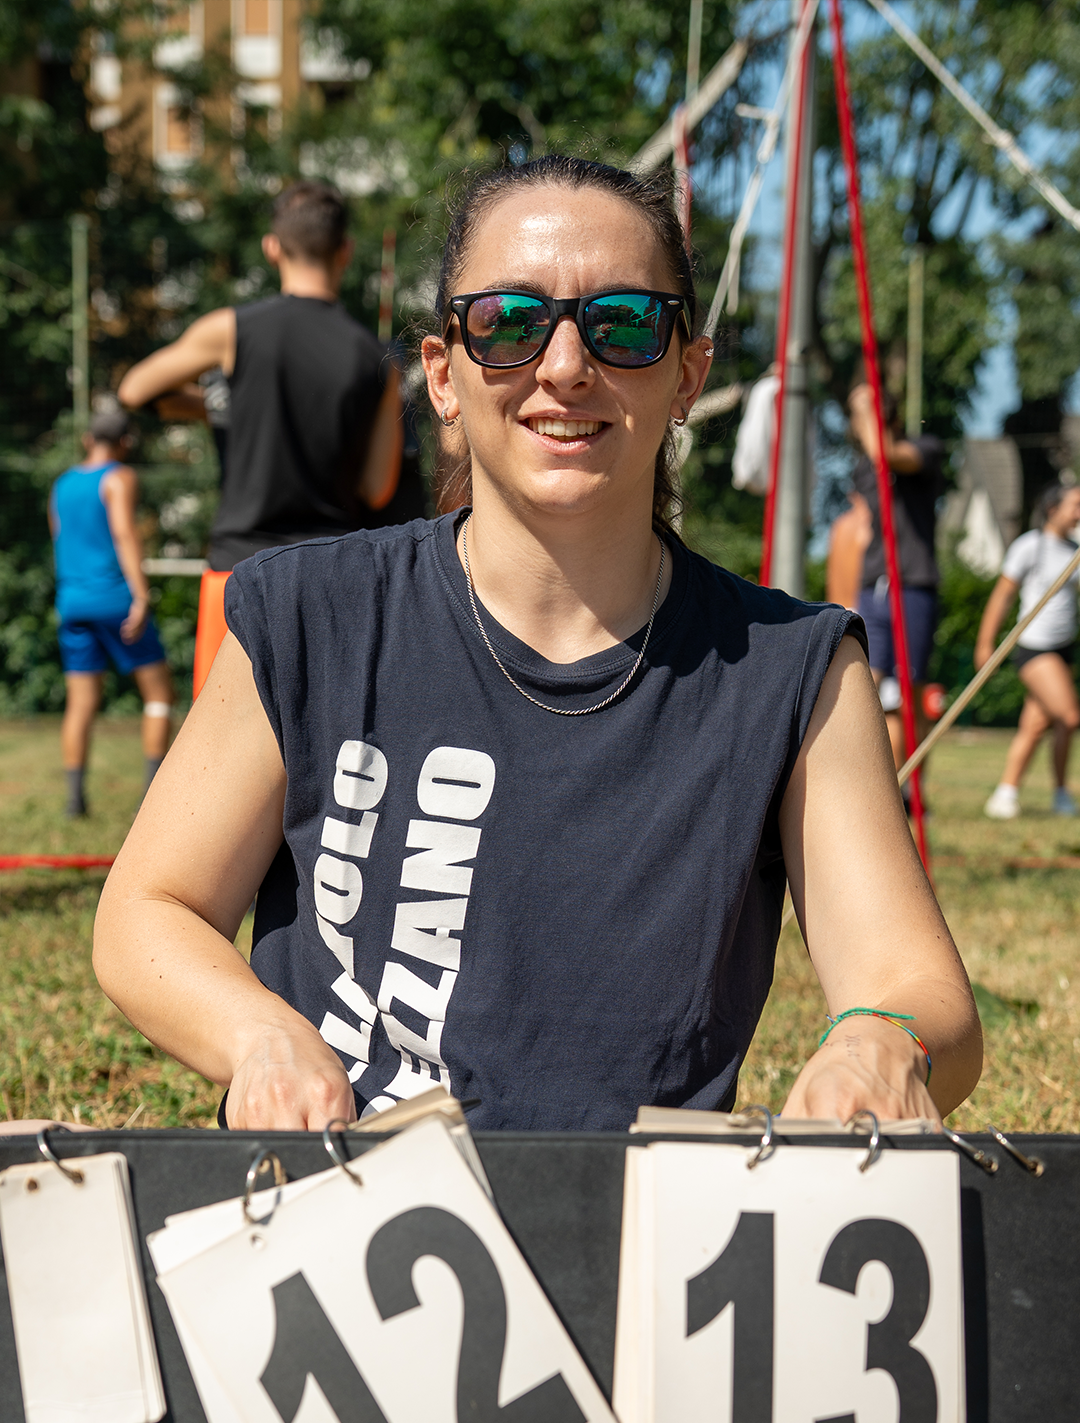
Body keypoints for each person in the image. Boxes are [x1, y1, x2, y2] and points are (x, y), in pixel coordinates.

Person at [94, 157, 981, 1133]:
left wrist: (880, 1043)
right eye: (509, 321)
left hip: (643, 1220)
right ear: (443, 375)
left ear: (687, 375)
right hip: (341, 1203)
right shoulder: (308, 616)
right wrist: (262, 1035)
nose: (564, 366)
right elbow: (149, 909)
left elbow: (915, 987)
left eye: (625, 323)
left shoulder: (796, 670)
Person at [117, 180, 404, 695]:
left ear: (272, 247)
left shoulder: (233, 330)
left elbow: (135, 389)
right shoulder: (377, 359)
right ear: (345, 250)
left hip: (237, 573)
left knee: (220, 739)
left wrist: (221, 410)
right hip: (332, 575)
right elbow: (377, 488)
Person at [49, 406, 173, 817]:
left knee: (81, 702)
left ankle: (74, 801)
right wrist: (141, 595)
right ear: (124, 443)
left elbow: (58, 536)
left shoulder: (62, 484)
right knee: (159, 694)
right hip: (114, 599)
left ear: (87, 439)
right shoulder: (119, 477)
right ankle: (150, 798)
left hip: (72, 601)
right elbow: (123, 533)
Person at [849, 380, 944, 774]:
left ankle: (911, 783)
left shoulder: (924, 449)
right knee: (865, 687)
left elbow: (886, 454)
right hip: (874, 587)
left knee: (909, 691)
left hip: (913, 586)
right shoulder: (863, 470)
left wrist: (865, 408)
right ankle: (869, 781)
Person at [979, 482, 1080, 820]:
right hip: (1035, 647)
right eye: (1075, 505)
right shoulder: (1031, 546)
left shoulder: (1075, 550)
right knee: (1069, 716)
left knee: (1035, 724)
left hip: (1063, 647)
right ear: (1053, 509)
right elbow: (1002, 596)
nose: (1079, 513)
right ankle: (1061, 794)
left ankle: (1005, 794)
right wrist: (985, 644)